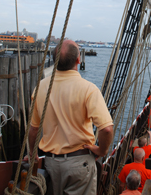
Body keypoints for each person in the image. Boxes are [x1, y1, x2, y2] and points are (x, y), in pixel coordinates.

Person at [28, 40, 114, 195]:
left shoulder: (40, 88)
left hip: (51, 164)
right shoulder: (88, 89)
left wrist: (32, 154)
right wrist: (101, 150)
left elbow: (33, 129)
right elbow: (106, 129)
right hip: (79, 164)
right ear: (78, 60)